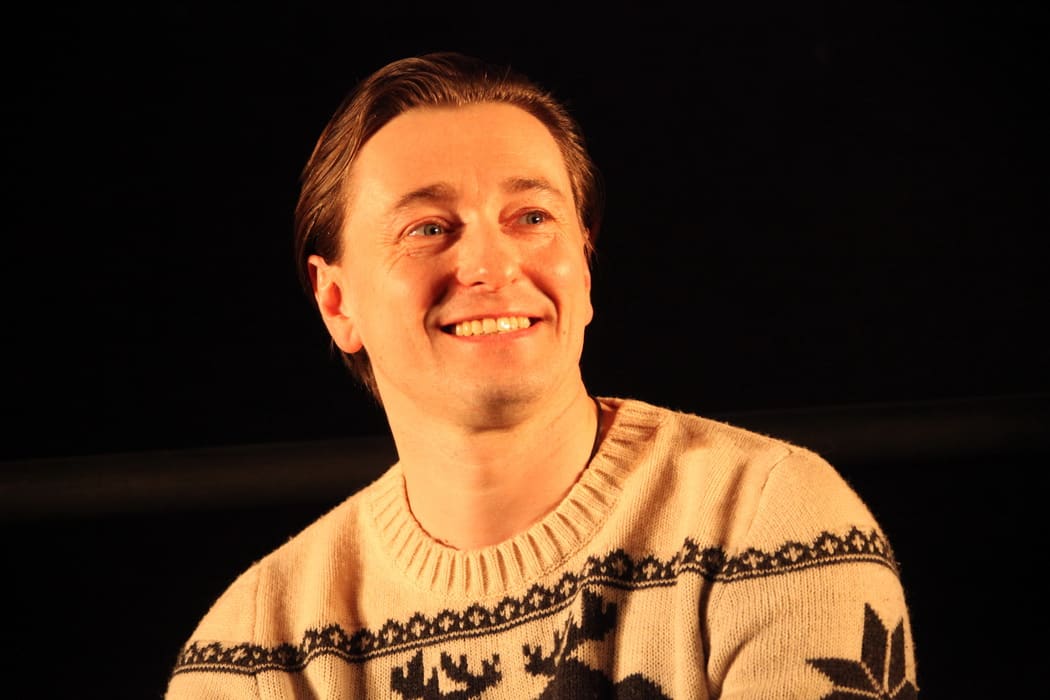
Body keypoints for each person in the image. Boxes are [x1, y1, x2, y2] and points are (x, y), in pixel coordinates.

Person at [165, 51, 918, 698]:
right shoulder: (251, 652)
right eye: (428, 228)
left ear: (584, 268)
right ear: (336, 302)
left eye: (531, 217)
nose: (492, 265)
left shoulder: (768, 523)